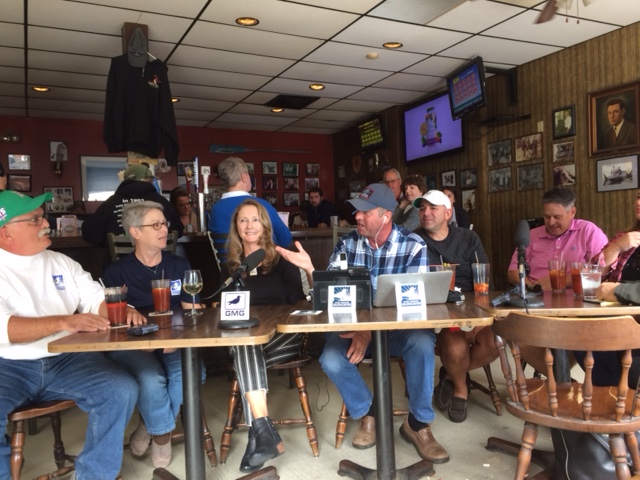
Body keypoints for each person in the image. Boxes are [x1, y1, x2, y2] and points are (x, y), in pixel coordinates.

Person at [278, 184, 450, 465]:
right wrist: (310, 270)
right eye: (357, 210)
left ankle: (418, 424)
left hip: (397, 331)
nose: (357, 216)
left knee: (421, 343)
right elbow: (329, 297)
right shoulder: (347, 244)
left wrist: (368, 330)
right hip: (354, 330)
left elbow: (413, 306)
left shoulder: (413, 245)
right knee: (332, 359)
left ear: (386, 216)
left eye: (365, 212)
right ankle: (369, 412)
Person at [0, 190, 140, 480]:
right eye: (35, 219)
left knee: (120, 389)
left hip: (66, 358)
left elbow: (94, 298)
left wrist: (119, 311)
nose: (46, 224)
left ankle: (93, 475)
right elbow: (5, 328)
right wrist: (65, 321)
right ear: (5, 232)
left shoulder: (61, 262)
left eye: (43, 217)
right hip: (8, 365)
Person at [103, 201, 204, 468]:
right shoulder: (116, 272)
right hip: (134, 343)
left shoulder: (179, 265)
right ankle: (162, 437)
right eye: (156, 225)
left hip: (174, 339)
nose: (164, 230)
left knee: (188, 373)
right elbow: (112, 321)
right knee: (151, 378)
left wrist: (180, 336)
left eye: (165, 223)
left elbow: (191, 310)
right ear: (135, 232)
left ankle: (151, 427)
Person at [222, 199, 306, 473]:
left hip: (283, 336)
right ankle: (264, 433)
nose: (249, 225)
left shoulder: (280, 259)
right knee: (246, 345)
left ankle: (259, 436)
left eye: (255, 219)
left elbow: (298, 303)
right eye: (243, 220)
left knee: (245, 351)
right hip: (246, 340)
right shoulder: (231, 267)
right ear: (236, 226)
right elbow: (226, 310)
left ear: (265, 225)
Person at [412, 190, 493, 422]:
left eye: (432, 208)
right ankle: (460, 388)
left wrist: (478, 319)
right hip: (438, 311)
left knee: (495, 342)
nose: (426, 213)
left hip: (472, 306)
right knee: (455, 348)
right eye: (422, 208)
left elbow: (484, 278)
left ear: (448, 213)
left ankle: (450, 373)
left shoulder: (468, 238)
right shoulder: (414, 241)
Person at [507, 187, 608, 291]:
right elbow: (513, 272)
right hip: (535, 295)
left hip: (575, 296)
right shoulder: (532, 235)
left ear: (572, 212)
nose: (551, 222)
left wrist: (561, 281)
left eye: (557, 217)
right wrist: (533, 289)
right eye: (547, 217)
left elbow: (602, 271)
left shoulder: (588, 231)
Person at [82, 163, 183, 246]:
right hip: (159, 262)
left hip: (120, 263)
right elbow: (178, 230)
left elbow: (89, 232)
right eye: (151, 180)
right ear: (148, 180)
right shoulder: (160, 201)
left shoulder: (111, 203)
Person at [208, 157, 291, 250]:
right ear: (244, 177)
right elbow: (286, 240)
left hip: (226, 259)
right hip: (260, 259)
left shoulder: (215, 210)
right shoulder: (261, 205)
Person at [590, 190, 640, 282]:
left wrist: (615, 289)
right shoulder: (624, 237)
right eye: (638, 197)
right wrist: (616, 247)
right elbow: (591, 277)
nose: (638, 202)